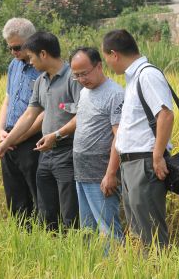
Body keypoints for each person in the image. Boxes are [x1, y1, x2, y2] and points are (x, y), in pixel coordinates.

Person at [0, 31, 81, 231]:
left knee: (69, 211)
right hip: (46, 154)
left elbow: (81, 116)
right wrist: (4, 143)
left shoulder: (73, 78)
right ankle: (51, 248)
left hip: (66, 151)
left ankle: (73, 252)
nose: (29, 63)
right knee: (46, 210)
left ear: (44, 54)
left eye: (31, 57)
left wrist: (56, 135)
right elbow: (29, 115)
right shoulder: (41, 81)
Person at [102, 29, 174, 246]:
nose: (108, 64)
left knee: (149, 228)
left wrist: (158, 156)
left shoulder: (147, 75)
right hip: (132, 163)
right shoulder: (133, 78)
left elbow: (166, 114)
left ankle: (159, 269)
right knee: (139, 227)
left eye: (106, 58)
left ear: (114, 54)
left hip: (145, 162)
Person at [70, 47, 124, 241]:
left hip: (100, 172)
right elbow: (80, 118)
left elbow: (120, 136)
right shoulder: (84, 92)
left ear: (99, 66)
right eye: (76, 76)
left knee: (108, 229)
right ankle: (91, 267)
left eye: (84, 73)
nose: (82, 79)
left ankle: (115, 266)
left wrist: (110, 174)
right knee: (87, 229)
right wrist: (57, 134)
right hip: (81, 170)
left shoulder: (115, 94)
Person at [0, 18, 43, 222]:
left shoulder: (42, 67)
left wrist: (19, 137)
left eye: (17, 47)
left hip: (32, 140)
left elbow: (44, 112)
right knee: (15, 199)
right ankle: (21, 239)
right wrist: (2, 131)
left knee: (38, 195)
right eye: (10, 48)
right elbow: (7, 100)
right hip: (9, 139)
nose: (14, 52)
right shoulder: (13, 66)